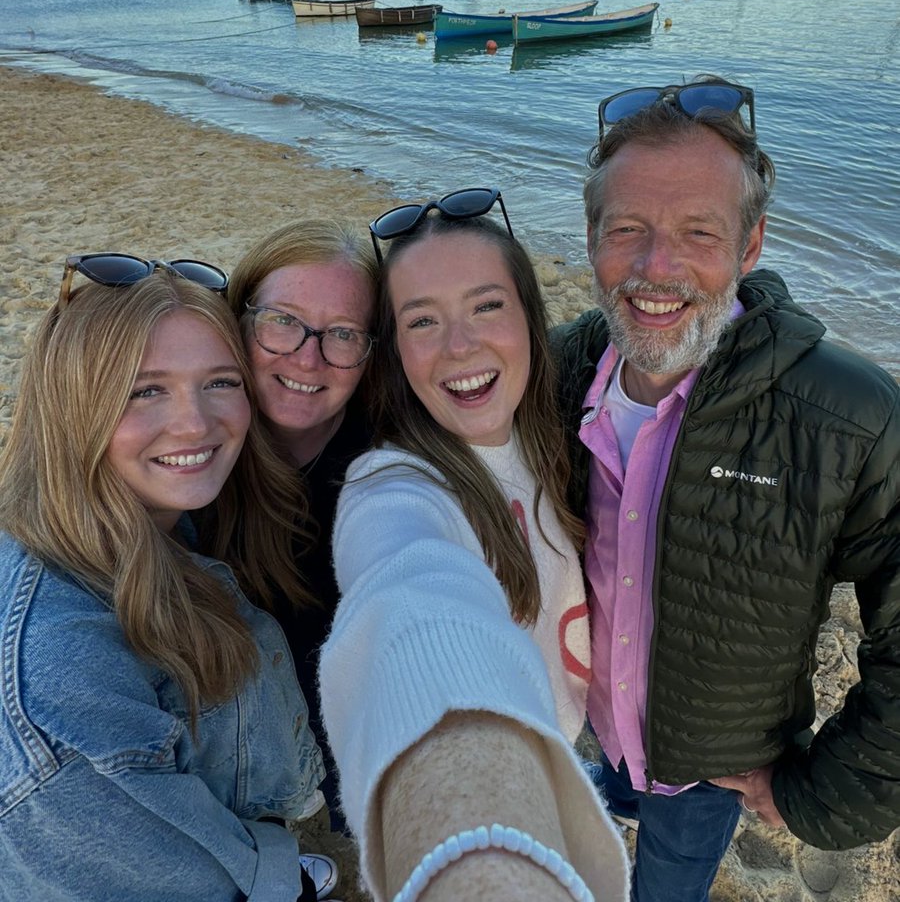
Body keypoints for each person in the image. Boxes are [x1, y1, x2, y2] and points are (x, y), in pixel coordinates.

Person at [550, 80, 900, 902]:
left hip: (714, 768)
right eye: (626, 229)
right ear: (592, 239)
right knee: (606, 806)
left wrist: (825, 790)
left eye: (698, 232)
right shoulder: (558, 371)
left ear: (750, 246)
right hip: (595, 724)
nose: (656, 267)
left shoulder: (847, 415)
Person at [320, 190, 629, 902]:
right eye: (421, 321)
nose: (459, 346)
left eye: (486, 306)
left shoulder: (552, 432)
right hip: (522, 753)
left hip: (565, 731)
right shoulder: (392, 485)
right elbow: (408, 598)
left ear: (530, 319)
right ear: (395, 351)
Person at [0, 256, 333, 902]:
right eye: (145, 390)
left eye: (220, 382)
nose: (195, 424)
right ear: (73, 407)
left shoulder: (162, 519)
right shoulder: (57, 673)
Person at [212, 220, 377, 827]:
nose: (308, 358)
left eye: (343, 334)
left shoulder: (385, 471)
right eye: (283, 321)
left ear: (370, 353)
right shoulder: (188, 451)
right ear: (239, 320)